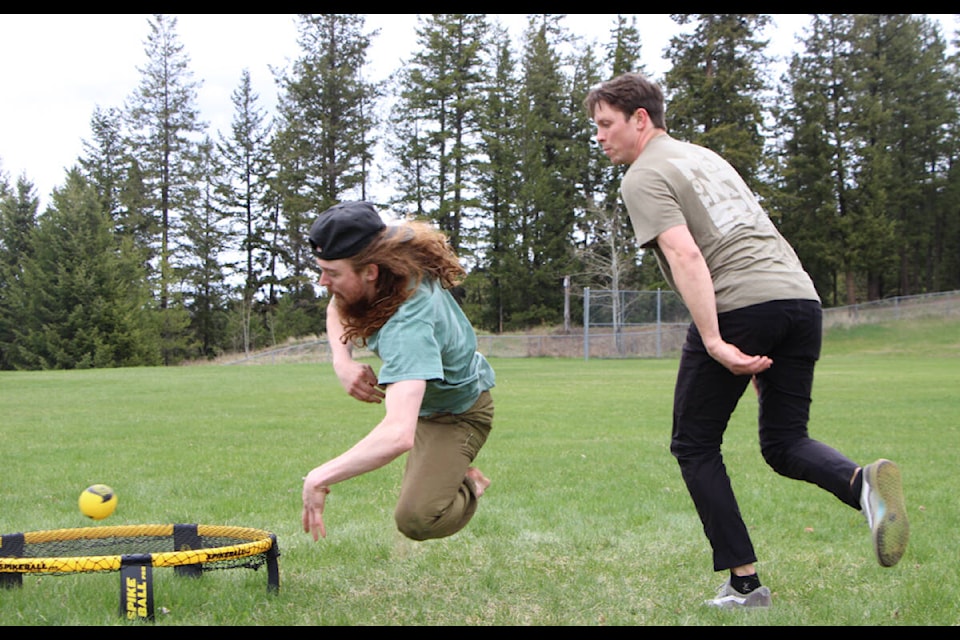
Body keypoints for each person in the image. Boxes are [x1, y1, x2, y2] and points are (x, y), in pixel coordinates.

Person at [584, 73, 909, 608]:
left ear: (640, 119)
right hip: (799, 300)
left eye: (605, 124)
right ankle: (863, 487)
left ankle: (745, 586)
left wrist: (713, 339)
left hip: (741, 304)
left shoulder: (643, 174)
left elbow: (686, 254)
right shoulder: (703, 157)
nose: (599, 137)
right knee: (784, 443)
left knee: (693, 444)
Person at [301, 201, 495, 543]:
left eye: (331, 273)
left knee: (417, 519)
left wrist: (319, 476)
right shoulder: (388, 255)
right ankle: (447, 468)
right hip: (422, 400)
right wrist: (342, 362)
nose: (322, 282)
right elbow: (337, 304)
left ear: (370, 272)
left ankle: (469, 483)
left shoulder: (408, 328)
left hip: (457, 413)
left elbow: (398, 434)